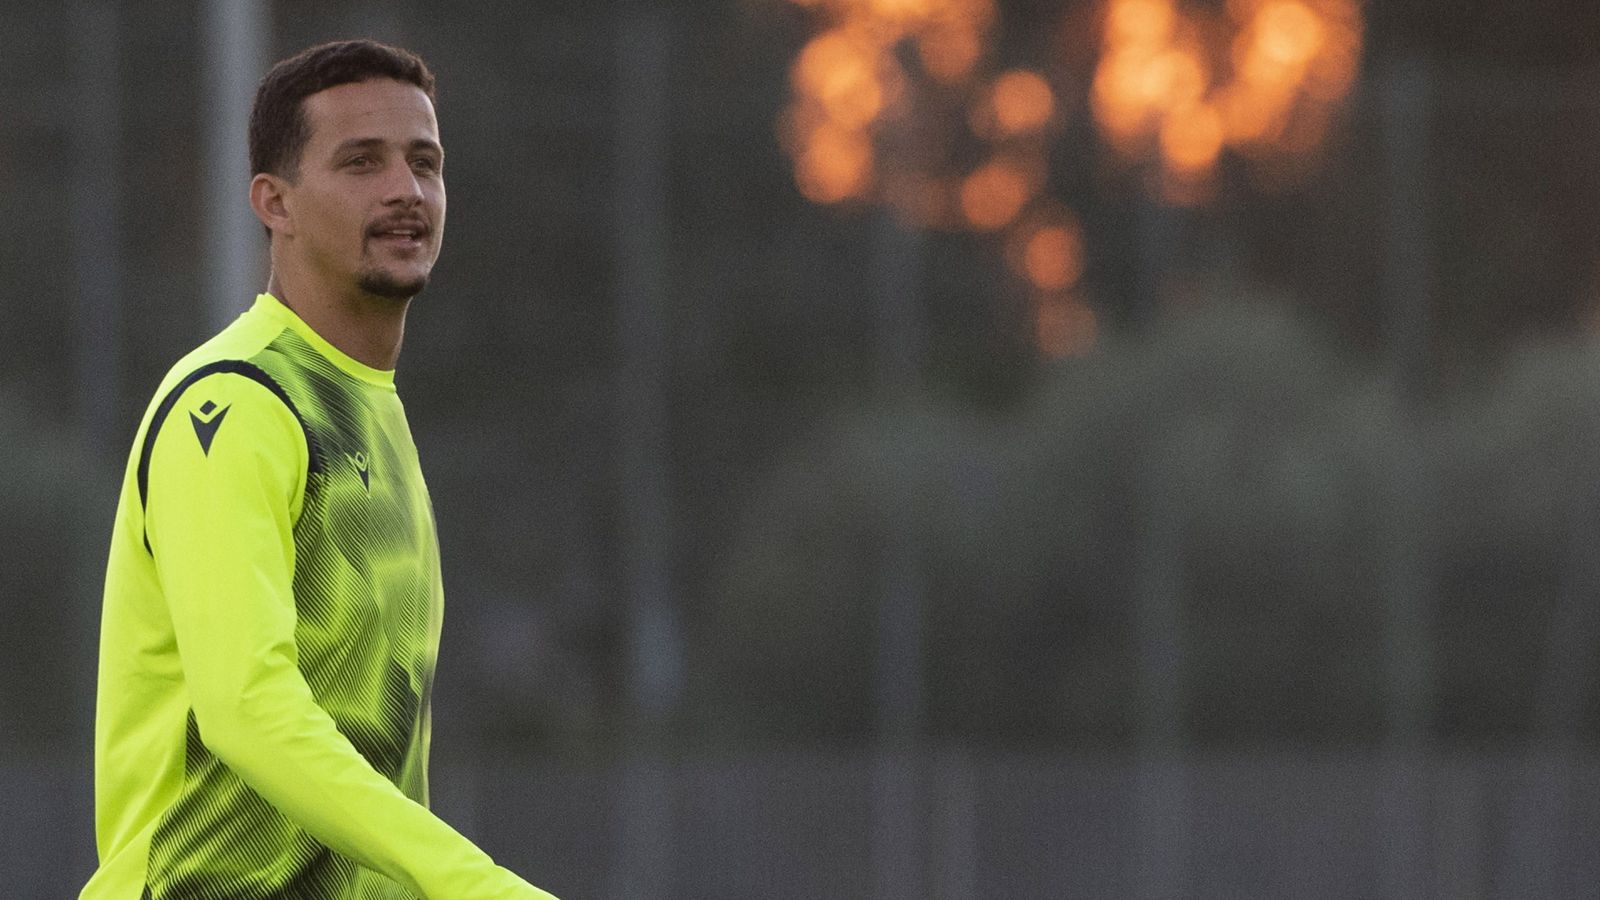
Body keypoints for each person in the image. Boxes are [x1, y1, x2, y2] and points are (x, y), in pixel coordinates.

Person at [80, 40, 557, 899]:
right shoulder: (233, 401)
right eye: (361, 162)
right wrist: (472, 884)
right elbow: (248, 707)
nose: (406, 190)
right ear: (275, 203)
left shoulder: (373, 412)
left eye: (425, 162)